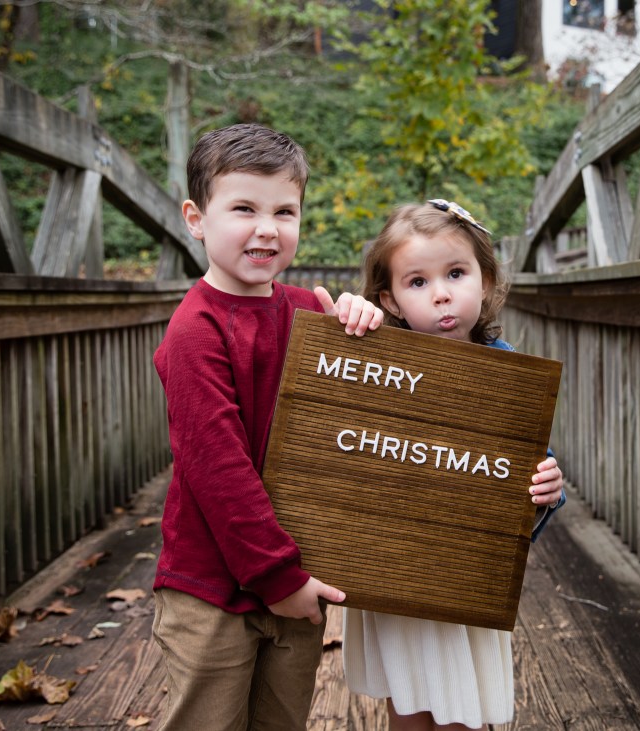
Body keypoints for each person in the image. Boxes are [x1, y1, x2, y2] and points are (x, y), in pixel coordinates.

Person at [150, 123, 384, 731]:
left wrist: (360, 318)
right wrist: (277, 578)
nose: (267, 228)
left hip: (297, 569)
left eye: (286, 210)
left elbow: (360, 409)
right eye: (244, 208)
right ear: (197, 219)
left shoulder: (311, 314)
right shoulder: (195, 332)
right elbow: (216, 467)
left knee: (282, 720)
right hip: (211, 585)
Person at [343, 199, 566, 731]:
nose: (441, 293)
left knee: (460, 704)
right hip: (397, 568)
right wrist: (352, 318)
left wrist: (547, 486)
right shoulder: (377, 359)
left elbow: (527, 465)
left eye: (456, 273)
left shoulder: (508, 371)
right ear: (389, 300)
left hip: (464, 571)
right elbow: (335, 411)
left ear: (485, 281)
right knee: (409, 699)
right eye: (416, 282)